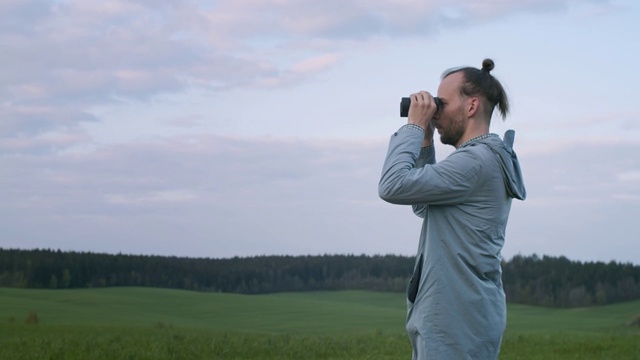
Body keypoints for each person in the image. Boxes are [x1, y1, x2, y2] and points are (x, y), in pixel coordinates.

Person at [378, 59, 526, 359]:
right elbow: (424, 205)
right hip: (460, 315)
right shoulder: (482, 159)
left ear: (471, 107)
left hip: (455, 320)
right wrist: (423, 143)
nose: (434, 111)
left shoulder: (474, 162)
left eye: (441, 103)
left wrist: (412, 127)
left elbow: (391, 185)